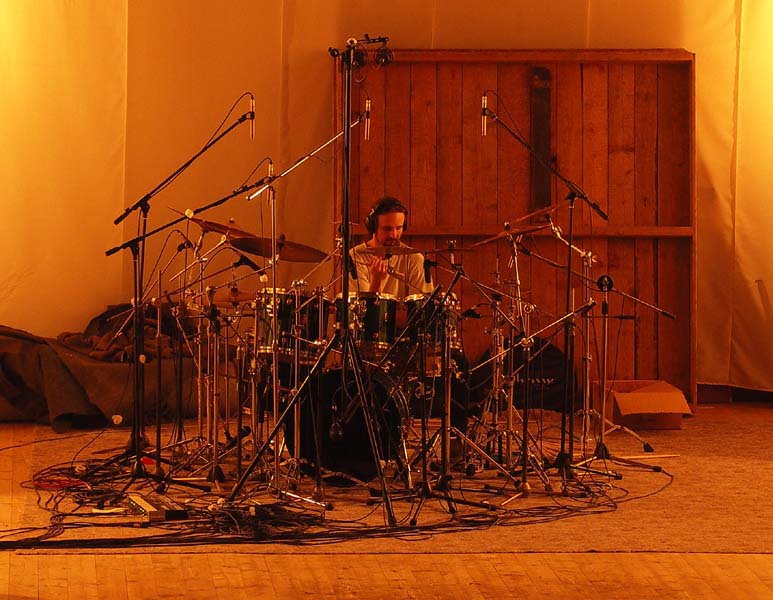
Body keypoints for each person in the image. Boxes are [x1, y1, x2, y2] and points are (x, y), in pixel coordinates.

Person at [349, 197, 434, 297]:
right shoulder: (355, 256)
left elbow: (421, 304)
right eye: (387, 229)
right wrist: (376, 281)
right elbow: (363, 306)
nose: (393, 235)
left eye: (398, 228)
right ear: (373, 227)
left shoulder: (414, 259)